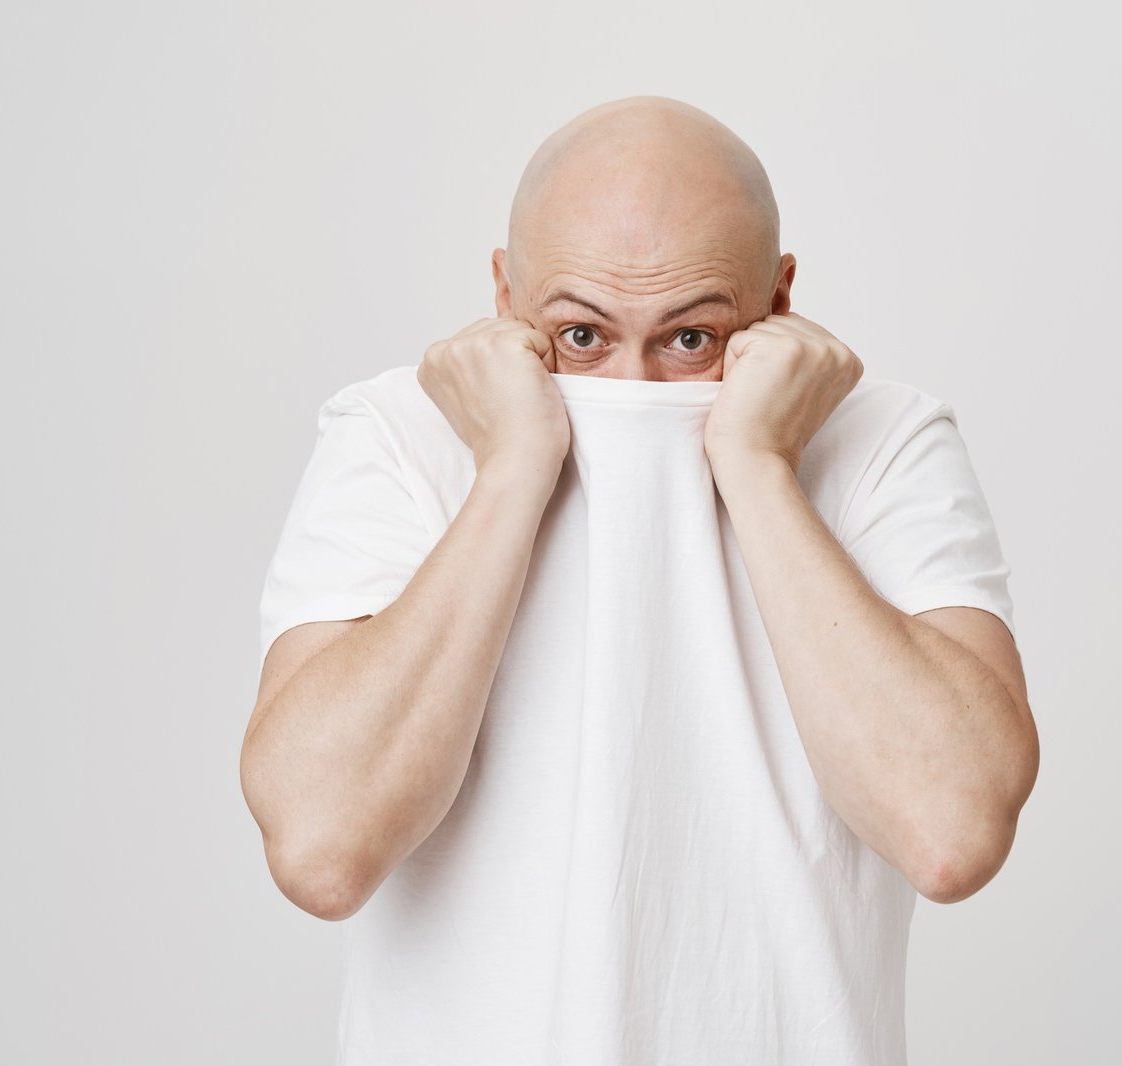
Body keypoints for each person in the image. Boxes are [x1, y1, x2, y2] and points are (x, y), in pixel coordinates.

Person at [240, 95, 1039, 1065]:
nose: (631, 391)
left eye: (690, 339)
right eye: (581, 336)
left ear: (779, 300)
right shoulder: (398, 434)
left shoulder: (882, 440)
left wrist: (760, 465)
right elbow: (321, 850)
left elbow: (951, 832)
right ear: (504, 296)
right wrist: (512, 469)